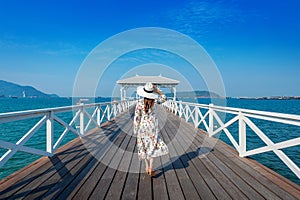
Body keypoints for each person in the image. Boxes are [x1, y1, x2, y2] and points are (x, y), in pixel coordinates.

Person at [133, 82, 169, 177]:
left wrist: (136, 129)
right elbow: (165, 98)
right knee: (153, 145)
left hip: (143, 127)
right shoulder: (155, 101)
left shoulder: (139, 103)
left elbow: (137, 117)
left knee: (144, 146)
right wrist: (158, 91)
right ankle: (151, 168)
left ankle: (146, 166)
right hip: (153, 127)